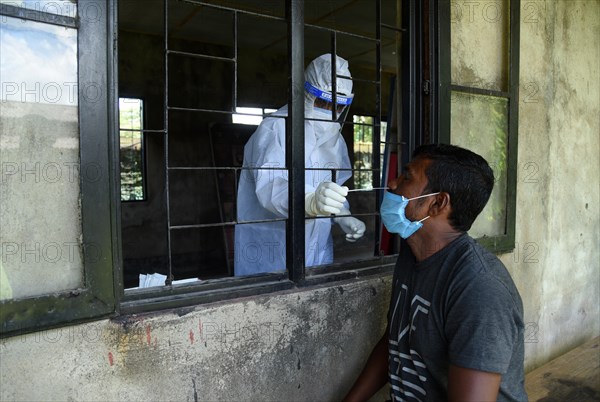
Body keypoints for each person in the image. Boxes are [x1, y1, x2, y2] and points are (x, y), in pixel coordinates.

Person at [344, 144, 527, 401]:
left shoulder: (479, 289)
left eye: (407, 177)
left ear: (437, 203)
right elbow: (396, 340)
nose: (393, 184)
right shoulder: (413, 253)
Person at [234, 54, 366, 276]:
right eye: (323, 102)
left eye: (338, 106)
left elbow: (334, 188)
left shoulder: (336, 139)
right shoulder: (277, 127)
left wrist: (342, 214)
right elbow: (269, 187)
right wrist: (307, 200)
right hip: (273, 247)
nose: (330, 111)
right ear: (306, 94)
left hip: (318, 247)